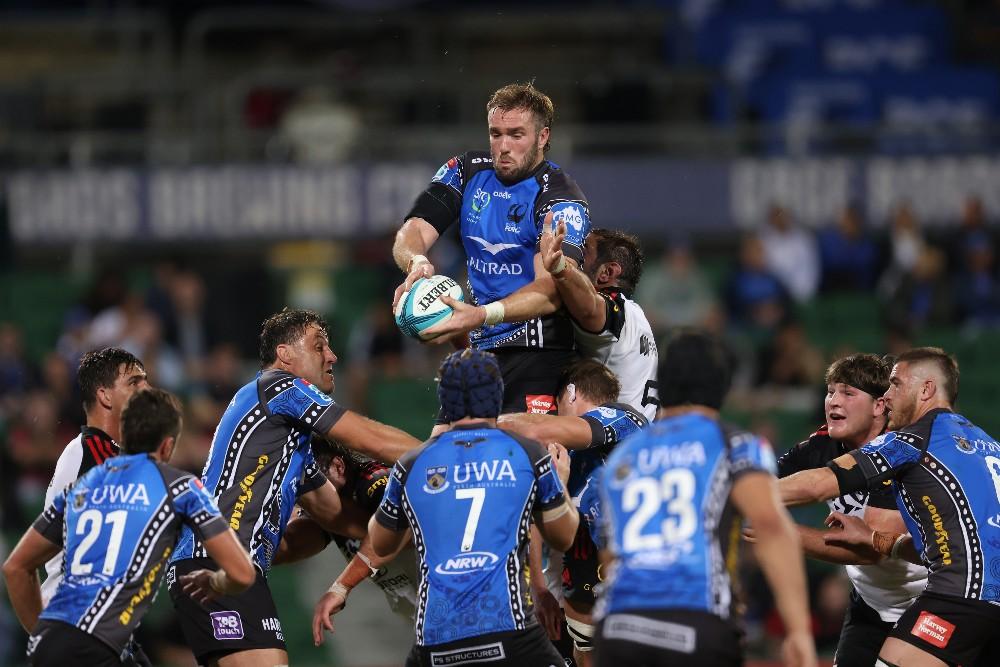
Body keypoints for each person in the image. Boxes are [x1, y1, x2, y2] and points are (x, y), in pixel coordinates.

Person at [169, 309, 420, 666]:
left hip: (227, 565)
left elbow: (334, 518)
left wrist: (394, 525)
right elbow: (368, 438)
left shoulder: (288, 445)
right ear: (285, 355)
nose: (332, 356)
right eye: (319, 347)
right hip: (216, 559)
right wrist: (439, 458)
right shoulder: (280, 387)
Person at [593, 330, 816, 667]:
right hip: (695, 623)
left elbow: (609, 552)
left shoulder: (625, 454)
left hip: (619, 625)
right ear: (723, 385)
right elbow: (770, 526)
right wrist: (799, 631)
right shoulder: (734, 443)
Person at [779, 347, 1000, 667]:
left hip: (958, 597)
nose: (889, 395)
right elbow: (942, 544)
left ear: (926, 389)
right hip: (968, 600)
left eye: (896, 384)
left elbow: (819, 485)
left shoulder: (910, 441)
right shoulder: (987, 444)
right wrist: (874, 539)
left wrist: (749, 502)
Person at [2, 388, 255, 667]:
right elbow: (242, 573)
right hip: (97, 645)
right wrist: (215, 582)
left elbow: (15, 568)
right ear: (168, 446)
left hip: (48, 644)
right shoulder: (181, 487)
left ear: (123, 434)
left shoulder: (82, 487)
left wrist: (41, 633)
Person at [368, 348, 581, 666]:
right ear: (498, 394)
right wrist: (560, 482)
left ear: (444, 400)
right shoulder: (527, 454)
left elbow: (381, 543)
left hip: (436, 642)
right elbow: (564, 537)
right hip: (511, 634)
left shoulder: (411, 465)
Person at [392, 82, 591, 414]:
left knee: (520, 454)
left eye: (516, 135)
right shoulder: (467, 171)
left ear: (543, 137)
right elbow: (413, 229)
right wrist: (416, 261)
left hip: (537, 354)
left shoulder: (560, 199)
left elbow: (551, 291)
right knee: (446, 450)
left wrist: (482, 315)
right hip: (480, 353)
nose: (503, 146)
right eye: (496, 134)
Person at [769, 353, 926, 667]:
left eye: (848, 393)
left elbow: (871, 550)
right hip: (869, 604)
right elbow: (762, 484)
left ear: (879, 405)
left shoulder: (900, 454)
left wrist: (778, 532)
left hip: (926, 603)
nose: (833, 402)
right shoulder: (818, 448)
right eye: (830, 391)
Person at [499, 359, 648, 666]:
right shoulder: (562, 451)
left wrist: (482, 423)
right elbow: (541, 515)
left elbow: (541, 429)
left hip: (630, 560)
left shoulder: (625, 419)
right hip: (581, 562)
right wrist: (539, 588)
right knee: (585, 654)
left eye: (557, 404)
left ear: (569, 393)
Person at [267, 439, 418, 642]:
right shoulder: (325, 506)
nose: (310, 497)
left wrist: (341, 587)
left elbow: (399, 530)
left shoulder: (376, 481)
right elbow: (292, 545)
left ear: (338, 466)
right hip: (424, 617)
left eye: (313, 484)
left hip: (458, 598)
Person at [41, 348, 150, 605]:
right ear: (105, 395)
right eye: (134, 382)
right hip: (76, 618)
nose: (147, 390)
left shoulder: (111, 455)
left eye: (147, 381)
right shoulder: (90, 455)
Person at [539, 225, 659, 421]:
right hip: (638, 439)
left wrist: (561, 267)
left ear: (607, 272)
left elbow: (590, 309)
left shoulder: (617, 313)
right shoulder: (638, 317)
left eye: (583, 250)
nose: (574, 256)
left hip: (612, 444)